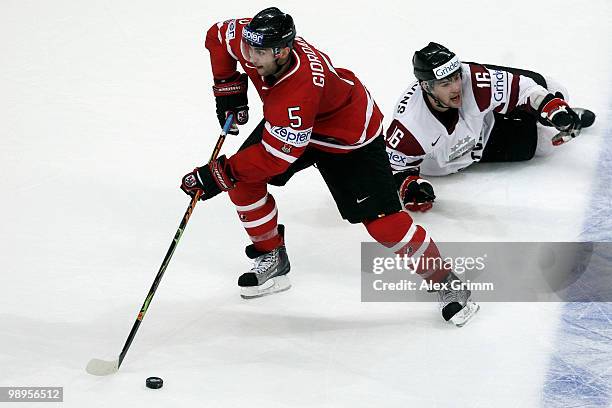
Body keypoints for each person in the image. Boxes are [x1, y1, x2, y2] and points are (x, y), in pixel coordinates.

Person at [180, 8, 478, 326]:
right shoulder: (254, 44)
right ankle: (272, 257)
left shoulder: (297, 91)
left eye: (260, 53)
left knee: (384, 225)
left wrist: (216, 175)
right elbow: (217, 36)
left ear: (283, 52)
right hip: (293, 127)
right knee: (243, 181)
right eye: (250, 48)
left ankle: (447, 282)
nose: (251, 57)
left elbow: (277, 156)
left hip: (349, 138)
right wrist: (228, 89)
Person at [386, 42, 596, 212]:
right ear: (426, 87)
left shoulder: (473, 80)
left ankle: (563, 113)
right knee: (544, 144)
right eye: (446, 84)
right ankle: (550, 121)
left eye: (456, 77)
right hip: (464, 155)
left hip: (484, 123)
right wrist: (410, 187)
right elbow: (397, 167)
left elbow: (523, 89)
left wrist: (553, 109)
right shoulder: (409, 125)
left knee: (552, 88)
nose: (457, 88)